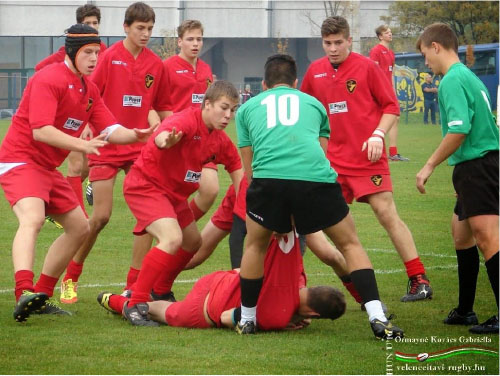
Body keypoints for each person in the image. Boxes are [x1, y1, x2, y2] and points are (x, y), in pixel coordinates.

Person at [235, 54, 403, 339]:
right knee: (350, 244)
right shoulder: (314, 104)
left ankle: (247, 320)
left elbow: (249, 168)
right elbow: (323, 153)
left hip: (268, 182)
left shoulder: (246, 109)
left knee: (254, 246)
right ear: (296, 83)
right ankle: (377, 317)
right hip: (315, 181)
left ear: (264, 85)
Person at [0, 24, 153, 323]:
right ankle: (23, 291)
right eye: (88, 52)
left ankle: (41, 295)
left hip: (46, 167)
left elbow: (109, 129)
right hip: (20, 160)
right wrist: (83, 144)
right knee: (32, 218)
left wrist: (138, 135)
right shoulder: (49, 78)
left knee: (80, 227)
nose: (95, 58)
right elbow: (41, 131)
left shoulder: (89, 88)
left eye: (98, 52)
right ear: (72, 52)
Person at [301, 16, 432, 303]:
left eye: (338, 42)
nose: (333, 48)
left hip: (367, 158)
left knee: (386, 214)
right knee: (321, 227)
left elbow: (391, 107)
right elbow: (305, 110)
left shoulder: (366, 67)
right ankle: (358, 290)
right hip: (330, 164)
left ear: (349, 40)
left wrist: (377, 135)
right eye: (327, 43)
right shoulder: (315, 72)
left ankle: (419, 279)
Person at [59, 2, 169, 304]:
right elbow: (89, 96)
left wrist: (168, 128)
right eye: (140, 28)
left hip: (140, 148)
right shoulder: (108, 59)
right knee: (101, 217)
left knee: (147, 217)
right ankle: (71, 275)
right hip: (108, 144)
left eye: (149, 29)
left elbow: (162, 107)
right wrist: (85, 126)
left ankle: (133, 284)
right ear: (126, 27)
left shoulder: (156, 65)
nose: (145, 34)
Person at [120, 80, 241, 326]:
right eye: (224, 108)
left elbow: (237, 167)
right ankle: (135, 302)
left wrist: (247, 201)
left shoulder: (218, 138)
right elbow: (162, 135)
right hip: (145, 186)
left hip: (172, 195)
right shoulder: (187, 120)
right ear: (207, 104)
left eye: (233, 110)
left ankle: (161, 289)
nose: (228, 115)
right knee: (172, 238)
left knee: (193, 241)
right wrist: (165, 140)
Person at [416, 23, 499, 334]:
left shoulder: (451, 79)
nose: (425, 62)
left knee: (488, 238)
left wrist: (428, 166)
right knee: (461, 234)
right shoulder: (468, 75)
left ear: (436, 47)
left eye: (425, 54)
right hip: (477, 167)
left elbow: (459, 129)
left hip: (478, 165)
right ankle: (465, 311)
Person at [98, 231, 346, 331]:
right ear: (312, 313)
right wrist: (280, 321)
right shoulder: (277, 315)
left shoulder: (297, 273)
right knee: (161, 312)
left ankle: (131, 297)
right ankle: (118, 302)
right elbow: (228, 317)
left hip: (220, 279)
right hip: (204, 308)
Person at [35, 4, 108, 220]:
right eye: (87, 24)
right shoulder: (67, 53)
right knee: (76, 165)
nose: (92, 27)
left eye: (95, 23)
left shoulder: (101, 50)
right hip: (73, 119)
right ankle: (79, 217)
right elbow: (41, 69)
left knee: (85, 167)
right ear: (78, 26)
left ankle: (63, 199)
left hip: (92, 111)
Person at [369, 24, 409, 162]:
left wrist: (393, 90)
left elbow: (390, 73)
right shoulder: (376, 51)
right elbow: (373, 72)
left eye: (390, 32)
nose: (390, 34)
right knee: (376, 120)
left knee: (395, 118)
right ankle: (373, 148)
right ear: (380, 36)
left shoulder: (391, 53)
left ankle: (393, 152)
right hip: (378, 91)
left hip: (388, 90)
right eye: (387, 32)